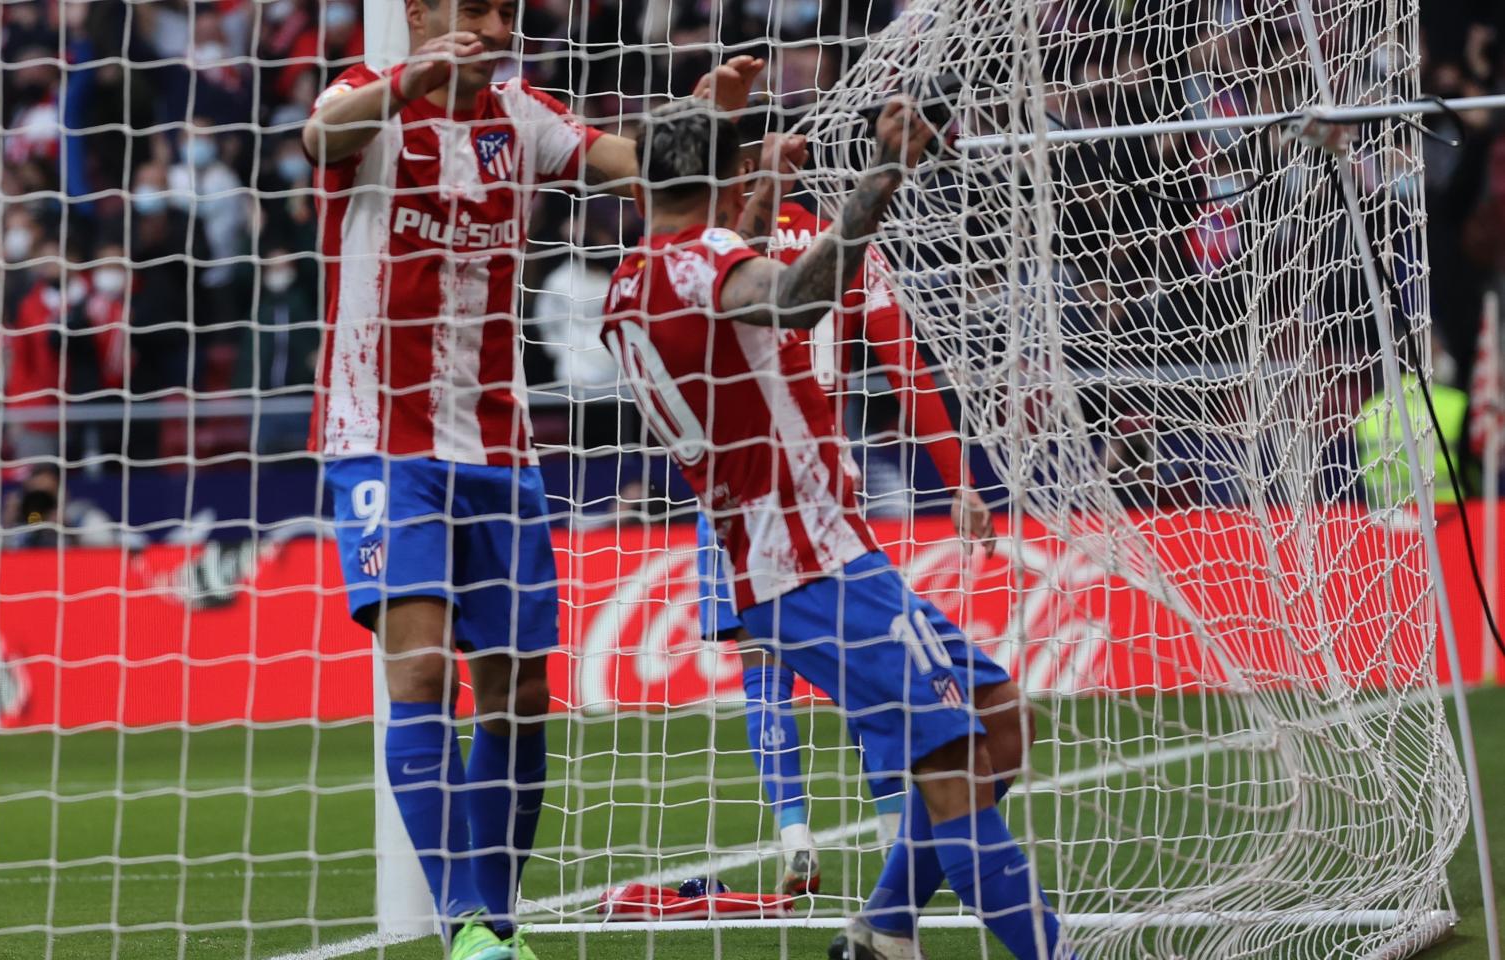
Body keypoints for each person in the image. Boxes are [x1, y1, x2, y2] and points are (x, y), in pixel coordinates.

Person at [298, 3, 763, 957]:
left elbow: (640, 167)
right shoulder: (366, 97)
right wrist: (417, 75)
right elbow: (318, 135)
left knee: (515, 693)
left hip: (501, 442)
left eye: (502, 10)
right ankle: (464, 925)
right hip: (382, 435)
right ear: (419, 14)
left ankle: (495, 925)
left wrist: (703, 122)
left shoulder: (526, 115)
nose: (491, 23)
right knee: (423, 669)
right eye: (469, 7)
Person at [601, 100, 1067, 960]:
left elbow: (724, 296)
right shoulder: (711, 265)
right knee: (957, 771)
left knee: (1004, 720)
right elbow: (791, 300)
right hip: (808, 562)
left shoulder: (631, 279)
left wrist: (755, 196)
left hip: (803, 551)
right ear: (727, 179)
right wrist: (883, 173)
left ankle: (883, 930)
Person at [697, 181, 1002, 894]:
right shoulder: (847, 244)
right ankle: (897, 837)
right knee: (871, 666)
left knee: (762, 665)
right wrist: (959, 479)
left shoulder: (713, 253)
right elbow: (908, 369)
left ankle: (794, 831)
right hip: (827, 479)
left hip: (738, 485)